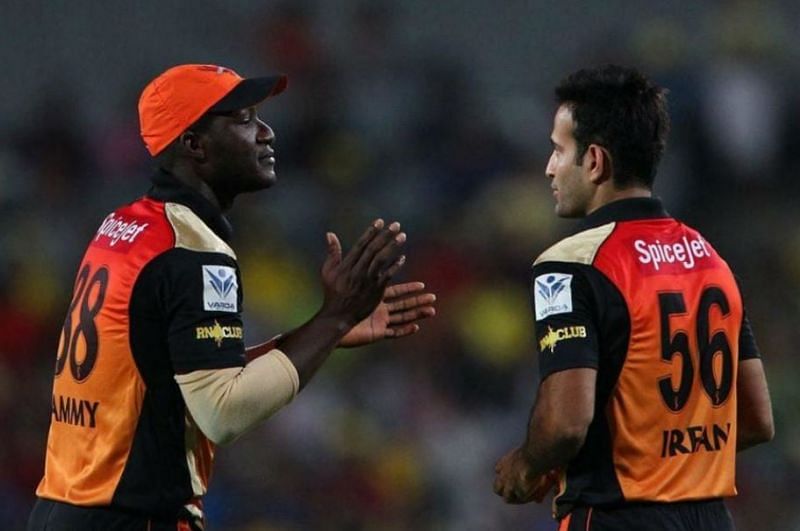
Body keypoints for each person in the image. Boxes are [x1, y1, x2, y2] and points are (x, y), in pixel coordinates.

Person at [28, 64, 436, 531]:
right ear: (194, 144)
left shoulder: (126, 226)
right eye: (243, 119)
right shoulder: (193, 250)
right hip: (133, 517)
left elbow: (179, 372)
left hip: (61, 508)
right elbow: (222, 410)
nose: (265, 132)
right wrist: (334, 320)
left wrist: (323, 331)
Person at [493, 65, 774, 530]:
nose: (549, 167)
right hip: (711, 519)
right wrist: (666, 459)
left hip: (616, 517)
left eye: (559, 150)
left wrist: (527, 464)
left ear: (596, 162)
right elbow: (756, 418)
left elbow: (565, 423)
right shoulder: (710, 261)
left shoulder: (570, 264)